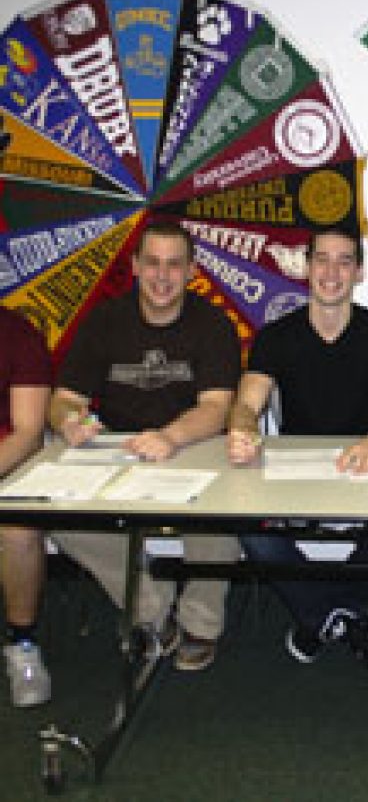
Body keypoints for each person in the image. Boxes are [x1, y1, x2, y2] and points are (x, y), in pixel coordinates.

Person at [228, 227, 368, 678]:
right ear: (306, 266)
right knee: (248, 528)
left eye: (344, 261)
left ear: (359, 271)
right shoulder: (276, 335)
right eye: (322, 260)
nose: (332, 272)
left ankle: (316, 617)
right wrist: (242, 430)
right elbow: (244, 405)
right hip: (299, 477)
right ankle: (344, 618)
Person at [48, 221, 241, 672]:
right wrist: (68, 423)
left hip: (193, 445)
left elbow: (216, 409)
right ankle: (152, 609)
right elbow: (64, 400)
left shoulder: (213, 324)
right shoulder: (104, 320)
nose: (162, 275)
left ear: (192, 270)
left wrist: (170, 437)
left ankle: (201, 623)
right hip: (119, 449)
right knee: (57, 515)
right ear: (135, 267)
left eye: (174, 264)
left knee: (225, 510)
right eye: (152, 263)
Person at [1, 308, 52, 706]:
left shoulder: (17, 333)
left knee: (17, 528)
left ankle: (22, 644)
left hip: (6, 461)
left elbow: (28, 432)